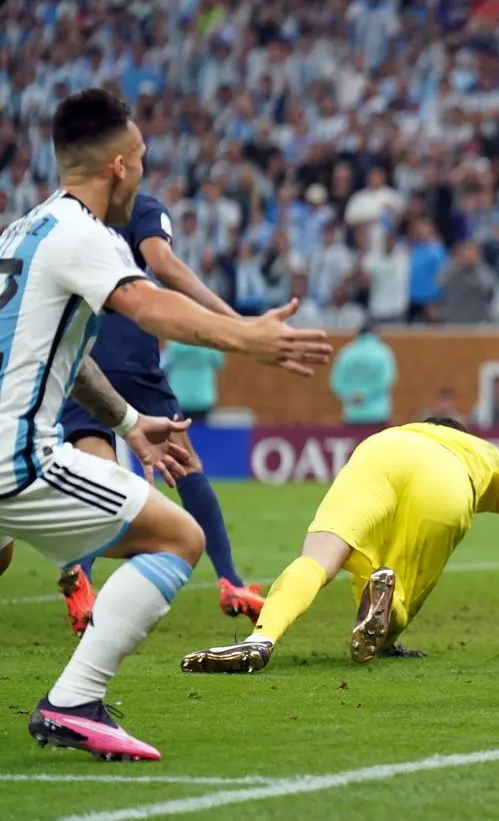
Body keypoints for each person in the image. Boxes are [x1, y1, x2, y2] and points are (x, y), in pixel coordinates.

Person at [5, 87, 330, 761]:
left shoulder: (23, 231)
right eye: (143, 158)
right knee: (177, 538)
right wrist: (249, 338)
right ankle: (72, 703)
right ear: (119, 166)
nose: (146, 170)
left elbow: (63, 357)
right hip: (18, 459)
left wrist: (127, 422)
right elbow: (151, 307)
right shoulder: (83, 235)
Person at [179, 417, 499, 674]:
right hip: (447, 479)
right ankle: (386, 634)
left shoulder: (409, 431)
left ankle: (261, 639)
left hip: (379, 451)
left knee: (317, 559)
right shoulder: (495, 461)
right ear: (463, 433)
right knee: (398, 594)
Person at [55, 193, 264, 639]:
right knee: (186, 466)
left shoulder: (58, 215)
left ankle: (82, 573)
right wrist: (240, 326)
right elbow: (162, 264)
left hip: (78, 360)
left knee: (100, 477)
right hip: (131, 357)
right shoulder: (139, 209)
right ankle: (230, 581)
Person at [330, 321, 397, 426]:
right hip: (378, 413)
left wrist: (351, 396)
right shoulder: (383, 352)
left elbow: (336, 382)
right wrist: (366, 394)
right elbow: (386, 380)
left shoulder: (346, 352)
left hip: (352, 414)